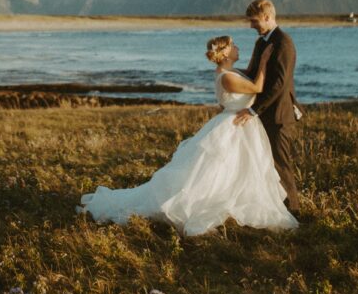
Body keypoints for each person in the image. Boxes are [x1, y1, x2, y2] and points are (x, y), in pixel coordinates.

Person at [77, 35, 299, 235]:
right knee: (218, 170)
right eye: (234, 46)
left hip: (240, 126)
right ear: (224, 53)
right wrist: (263, 61)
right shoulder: (227, 77)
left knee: (234, 170)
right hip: (234, 126)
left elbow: (249, 81)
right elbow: (258, 87)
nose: (237, 48)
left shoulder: (231, 73)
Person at [233, 0, 302, 212]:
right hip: (265, 115)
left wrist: (253, 110)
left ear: (267, 17)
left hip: (279, 115)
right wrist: (227, 72)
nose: (251, 25)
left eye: (254, 21)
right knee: (266, 163)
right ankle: (275, 207)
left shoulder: (284, 43)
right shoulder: (261, 43)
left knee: (281, 165)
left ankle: (294, 211)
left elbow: (279, 84)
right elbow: (254, 74)